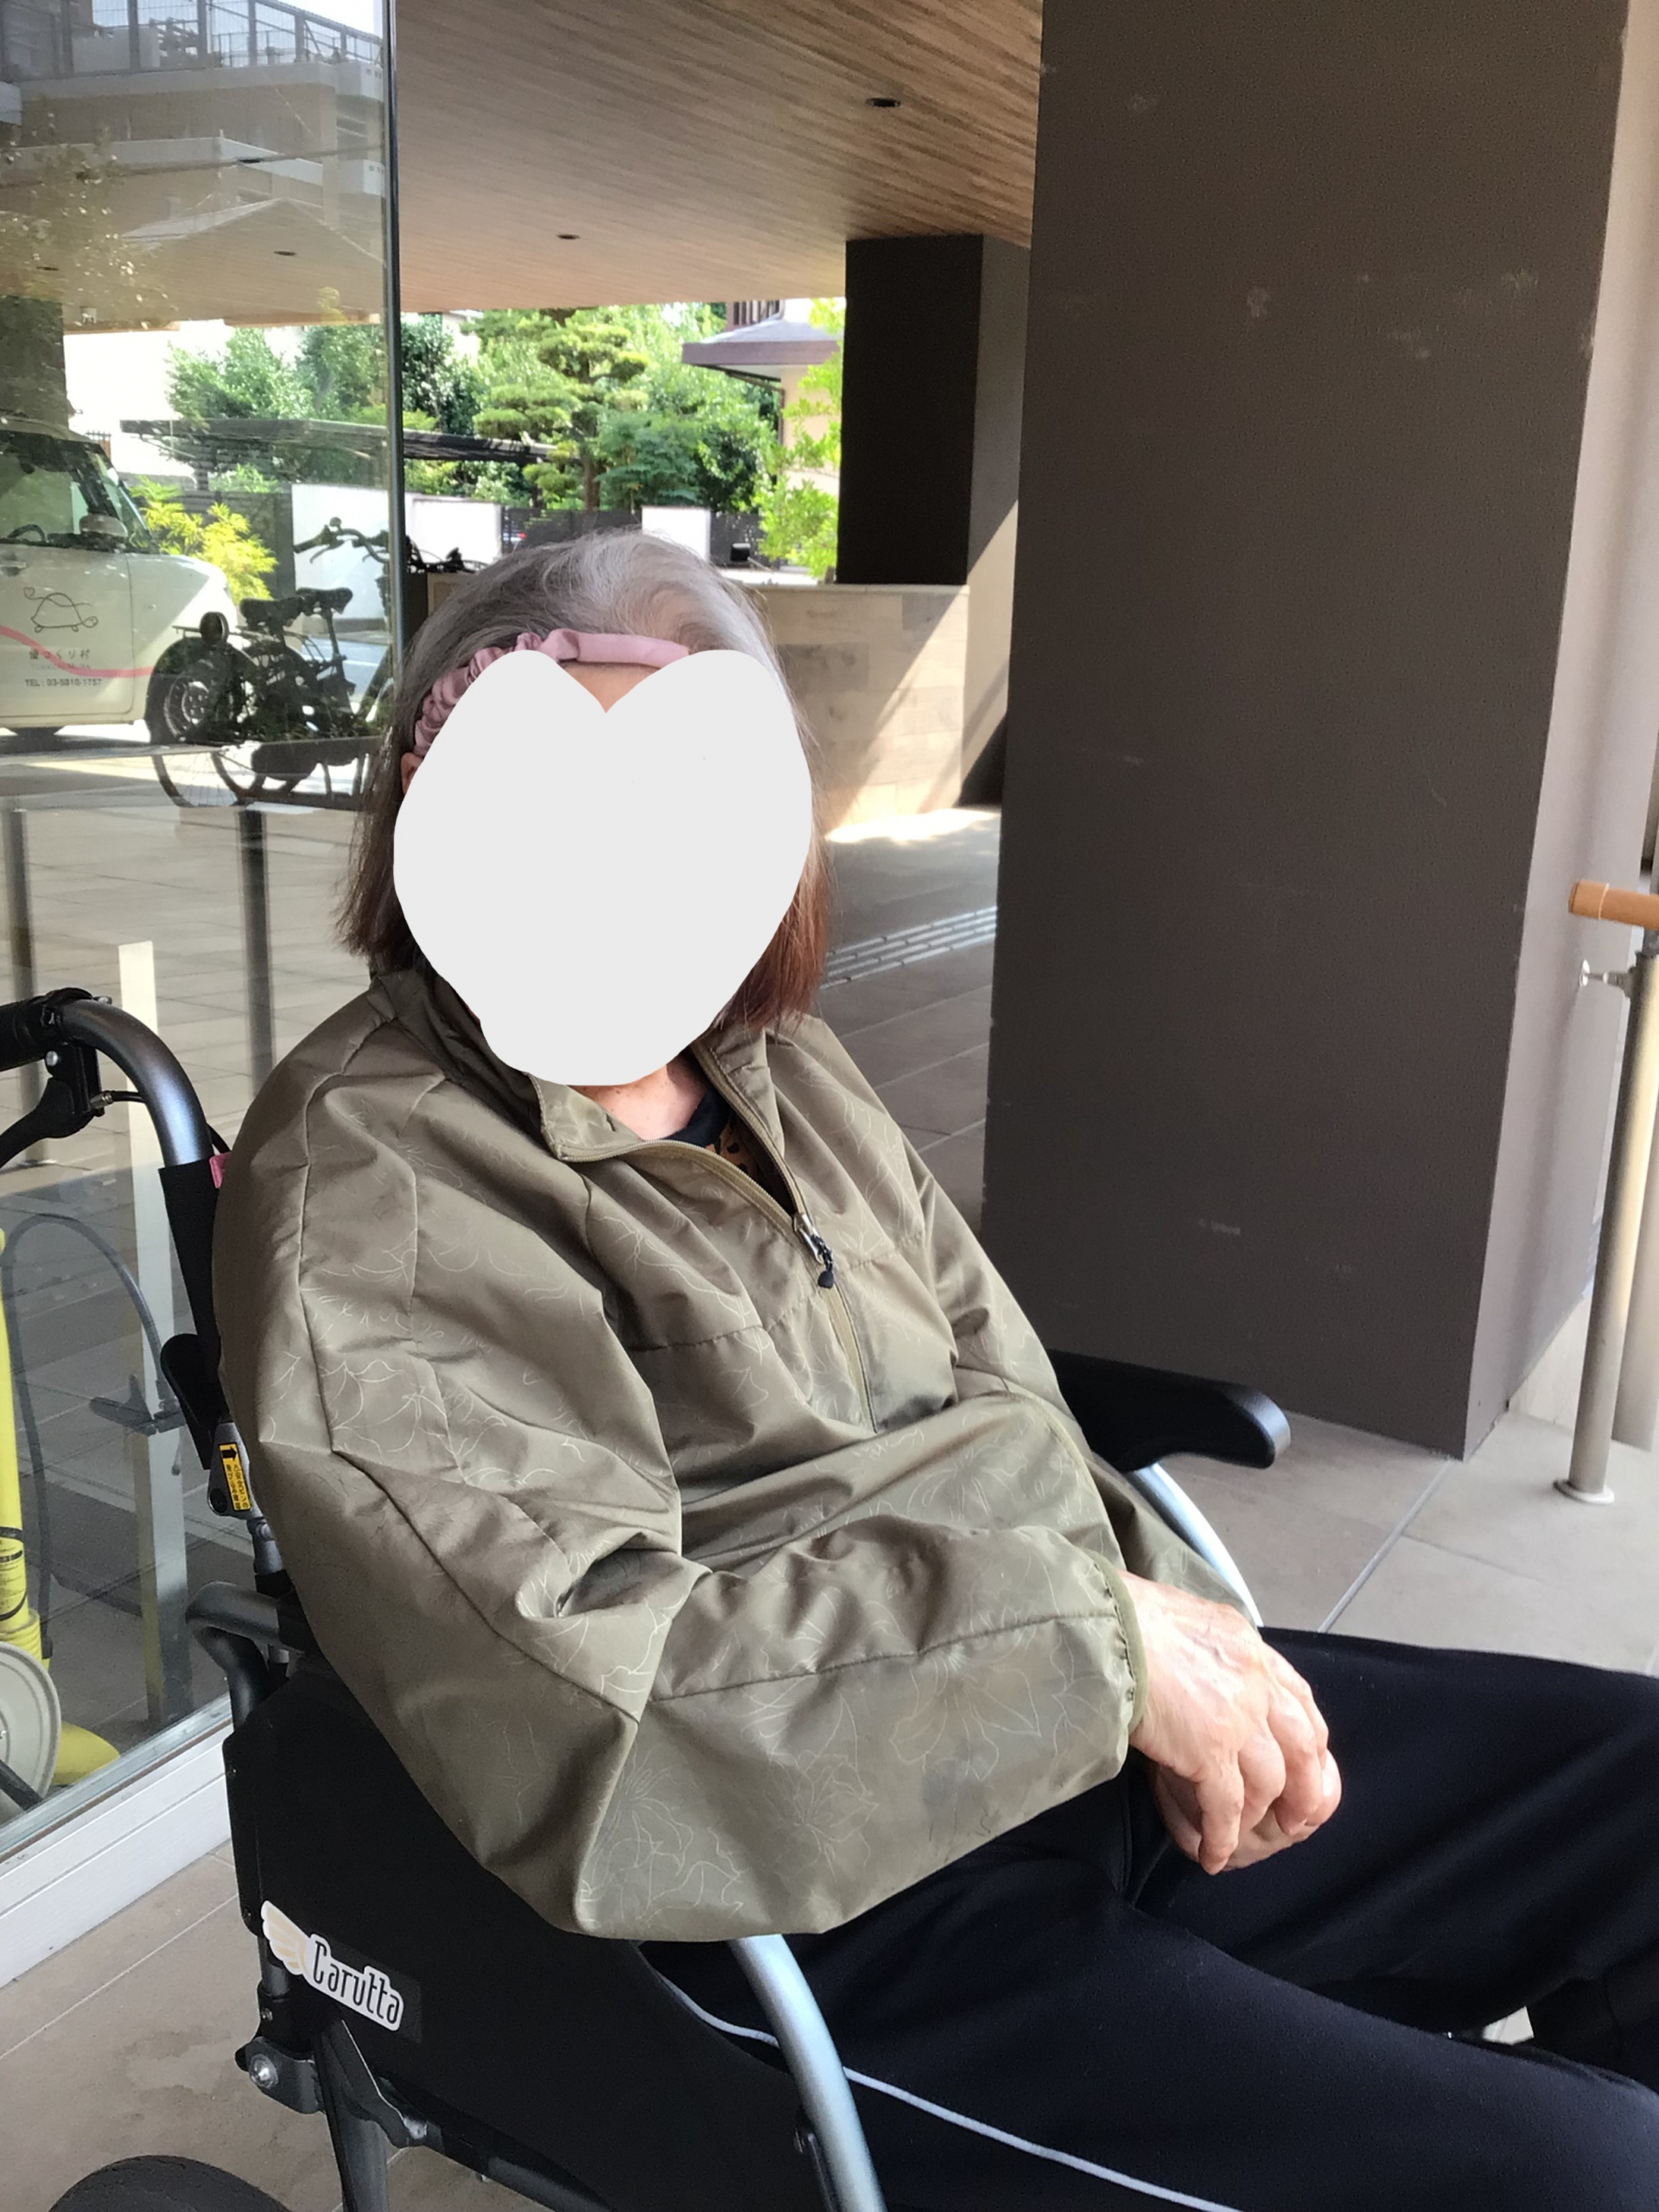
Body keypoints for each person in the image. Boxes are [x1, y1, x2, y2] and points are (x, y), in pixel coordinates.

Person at [217, 533, 1659, 2211]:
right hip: (805, 1891)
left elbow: (1004, 1388)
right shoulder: (376, 1188)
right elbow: (595, 1699)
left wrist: (1183, 1632)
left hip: (1062, 1738)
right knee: (1582, 2170)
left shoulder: (781, 1065)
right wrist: (1095, 1646)